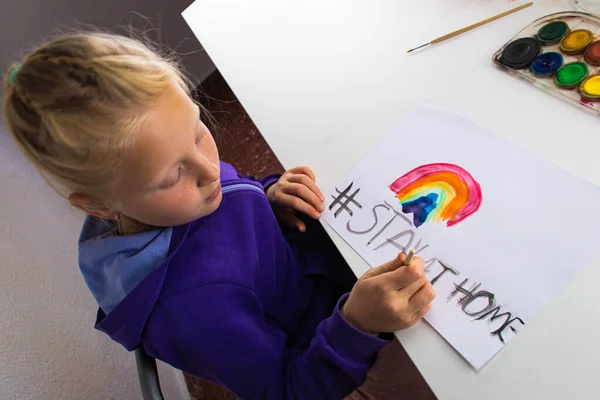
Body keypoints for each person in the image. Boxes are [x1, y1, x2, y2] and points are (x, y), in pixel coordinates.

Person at [3, 32, 435, 399]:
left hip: (317, 259)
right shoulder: (195, 312)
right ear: (98, 206)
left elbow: (230, 190)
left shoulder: (169, 184)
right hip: (326, 329)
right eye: (173, 174)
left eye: (198, 131)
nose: (210, 170)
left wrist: (266, 194)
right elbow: (289, 390)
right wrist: (356, 324)